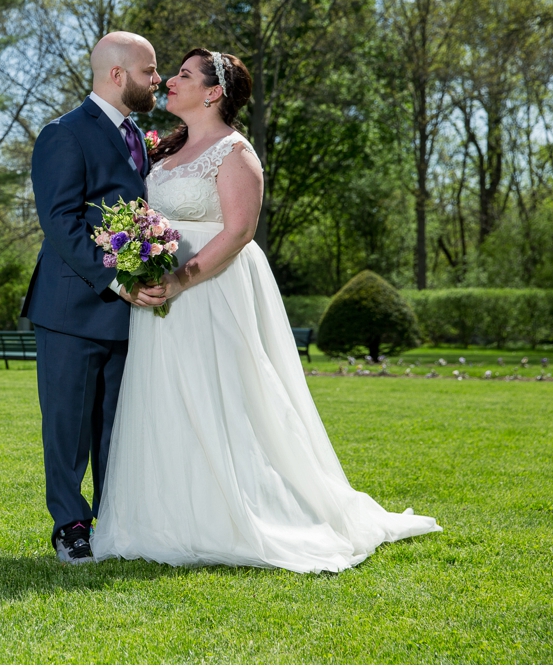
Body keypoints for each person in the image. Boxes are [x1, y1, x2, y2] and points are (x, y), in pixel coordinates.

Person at [90, 48, 441, 573]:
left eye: (183, 75)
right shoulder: (161, 152)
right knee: (166, 397)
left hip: (212, 290)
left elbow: (238, 231)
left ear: (213, 92)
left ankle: (239, 511)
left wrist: (181, 278)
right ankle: (165, 516)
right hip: (161, 297)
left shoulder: (236, 152)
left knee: (226, 397)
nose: (169, 82)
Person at [23, 31, 166, 564]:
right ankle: (70, 526)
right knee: (67, 424)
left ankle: (116, 523)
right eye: (149, 71)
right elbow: (59, 222)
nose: (157, 80)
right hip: (71, 308)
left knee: (116, 425)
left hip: (131, 314)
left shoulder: (142, 139)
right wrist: (117, 282)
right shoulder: (63, 134)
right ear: (116, 75)